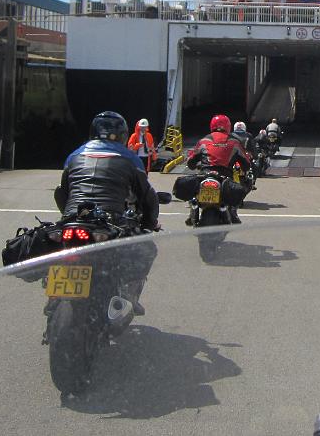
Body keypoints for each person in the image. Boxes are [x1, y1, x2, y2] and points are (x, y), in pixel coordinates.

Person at [55, 111, 160, 314]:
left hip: (73, 220)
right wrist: (149, 222)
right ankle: (128, 295)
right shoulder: (130, 158)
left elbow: (62, 192)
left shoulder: (74, 155)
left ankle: (54, 296)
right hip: (109, 221)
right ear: (122, 134)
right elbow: (147, 196)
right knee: (147, 249)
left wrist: (68, 217)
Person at [182, 114, 252, 224]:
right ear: (228, 126)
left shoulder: (203, 141)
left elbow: (191, 162)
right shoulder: (234, 142)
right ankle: (233, 212)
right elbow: (246, 164)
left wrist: (195, 165)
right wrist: (244, 168)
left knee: (194, 190)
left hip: (204, 175)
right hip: (224, 177)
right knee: (237, 193)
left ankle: (193, 210)